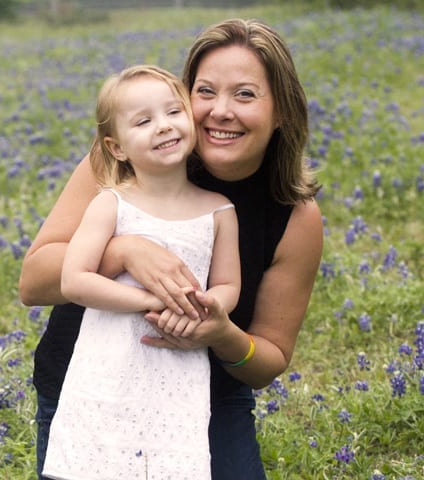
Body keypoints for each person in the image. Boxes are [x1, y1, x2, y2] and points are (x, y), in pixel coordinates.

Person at [19, 18, 323, 480]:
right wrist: (122, 251)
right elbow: (34, 281)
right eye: (205, 91)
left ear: (281, 110)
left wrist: (220, 333)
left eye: (245, 94)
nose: (221, 111)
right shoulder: (129, 162)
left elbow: (269, 361)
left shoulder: (294, 215)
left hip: (205, 396)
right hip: (88, 385)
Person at [41, 64, 240, 480]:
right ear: (116, 148)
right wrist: (153, 300)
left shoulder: (219, 210)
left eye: (173, 112)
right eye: (144, 121)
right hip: (107, 369)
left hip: (177, 369)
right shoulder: (110, 203)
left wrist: (207, 309)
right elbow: (74, 280)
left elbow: (226, 284)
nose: (163, 127)